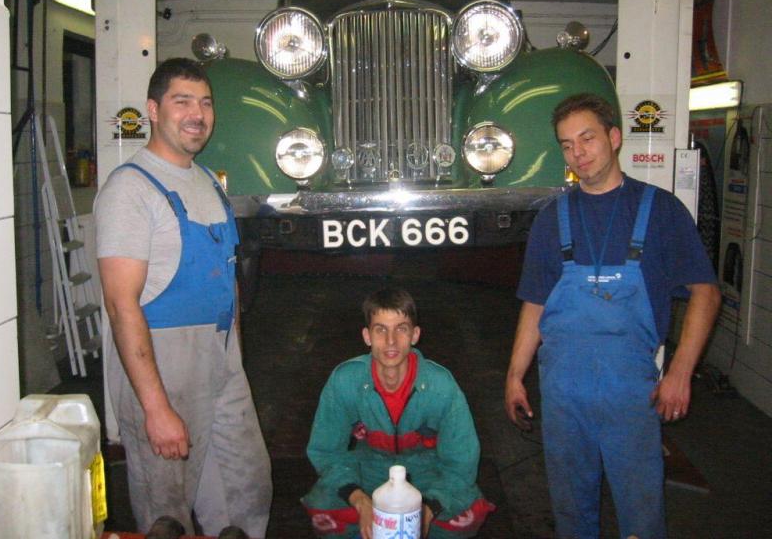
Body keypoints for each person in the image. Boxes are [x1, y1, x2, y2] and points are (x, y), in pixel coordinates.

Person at [504, 93, 721, 538]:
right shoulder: (551, 219)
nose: (578, 153)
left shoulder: (661, 211)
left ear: (615, 137)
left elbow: (706, 293)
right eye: (567, 144)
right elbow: (535, 302)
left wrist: (680, 373)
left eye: (587, 138)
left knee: (640, 513)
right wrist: (514, 375)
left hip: (630, 394)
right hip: (563, 393)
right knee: (571, 512)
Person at [95, 58, 272, 537]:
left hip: (221, 359)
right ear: (153, 110)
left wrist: (234, 359)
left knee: (246, 491)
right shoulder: (130, 189)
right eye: (183, 102)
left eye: (205, 103)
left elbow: (228, 279)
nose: (197, 114)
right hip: (161, 363)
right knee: (167, 511)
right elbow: (121, 306)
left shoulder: (209, 182)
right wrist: (155, 408)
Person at [303, 288, 495, 539]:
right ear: (367, 336)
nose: (391, 341)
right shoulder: (345, 381)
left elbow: (461, 462)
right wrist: (360, 500)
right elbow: (326, 452)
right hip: (366, 468)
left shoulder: (441, 385)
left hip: (425, 471)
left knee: (467, 515)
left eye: (401, 329)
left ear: (415, 335)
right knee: (323, 509)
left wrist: (428, 510)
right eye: (380, 329)